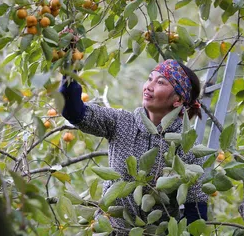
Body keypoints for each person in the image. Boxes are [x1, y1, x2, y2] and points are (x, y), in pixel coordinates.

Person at [59, 59, 208, 234]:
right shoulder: (121, 122)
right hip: (111, 230)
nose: (149, 86)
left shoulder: (186, 147)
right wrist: (70, 71)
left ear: (178, 100)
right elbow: (74, 112)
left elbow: (196, 210)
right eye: (149, 79)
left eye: (160, 82)